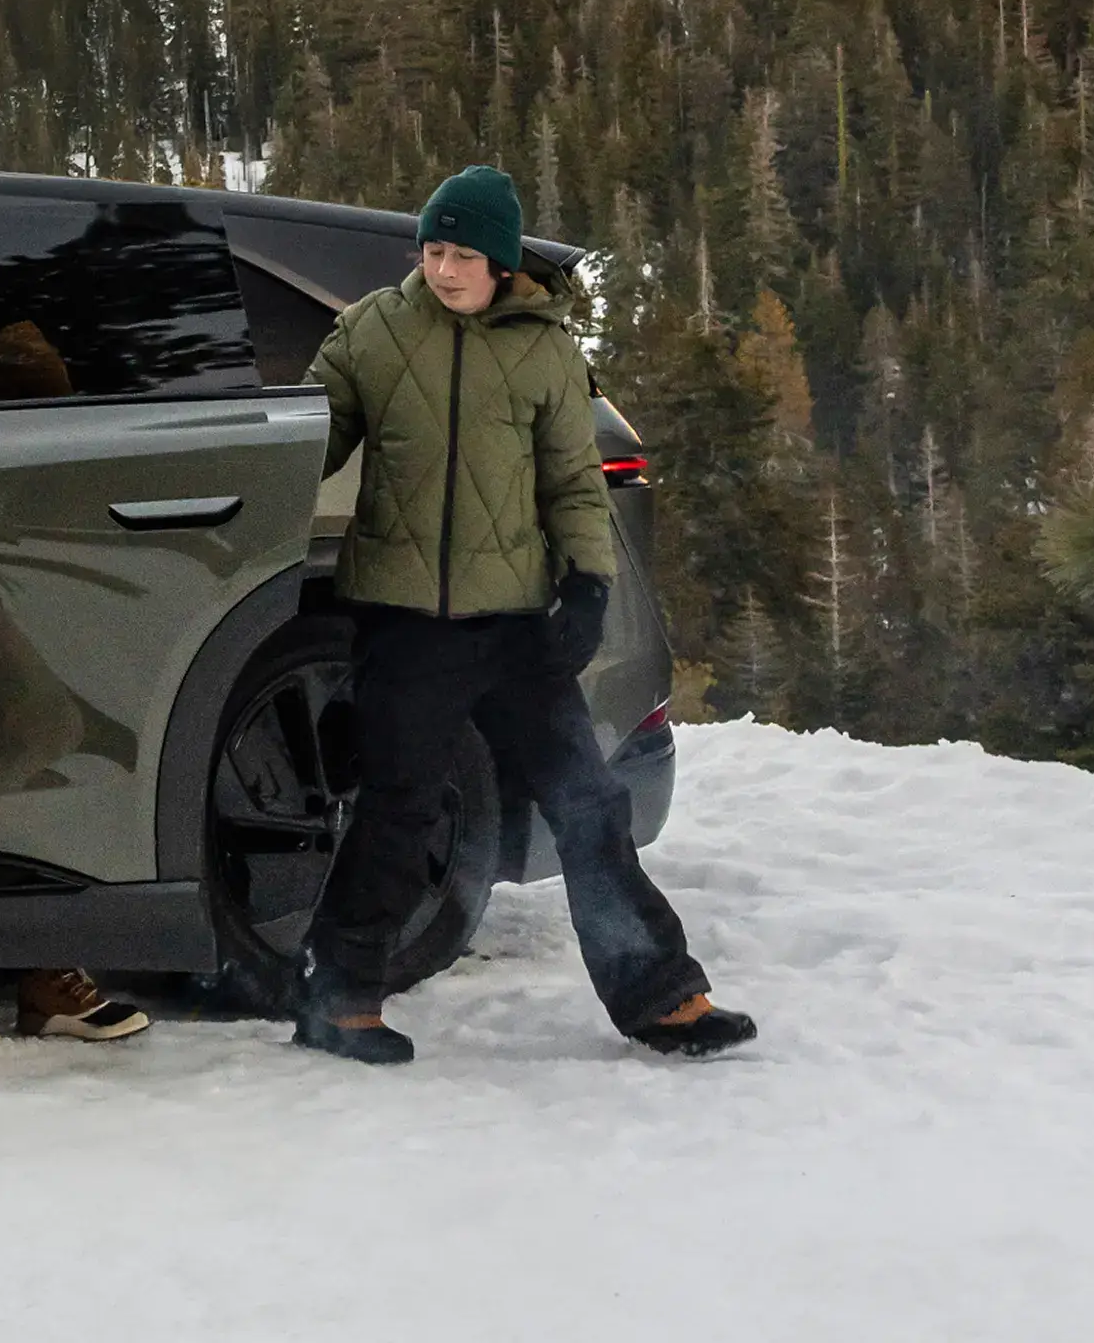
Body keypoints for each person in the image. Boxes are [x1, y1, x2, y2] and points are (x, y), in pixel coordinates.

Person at [293, 165, 758, 1065]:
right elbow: (305, 446)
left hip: (516, 629)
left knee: (589, 806)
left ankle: (661, 993)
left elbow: (574, 484)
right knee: (400, 812)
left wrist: (586, 587)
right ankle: (339, 999)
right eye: (432, 250)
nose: (443, 270)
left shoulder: (545, 351)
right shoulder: (370, 336)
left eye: (463, 253)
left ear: (503, 263)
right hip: (408, 622)